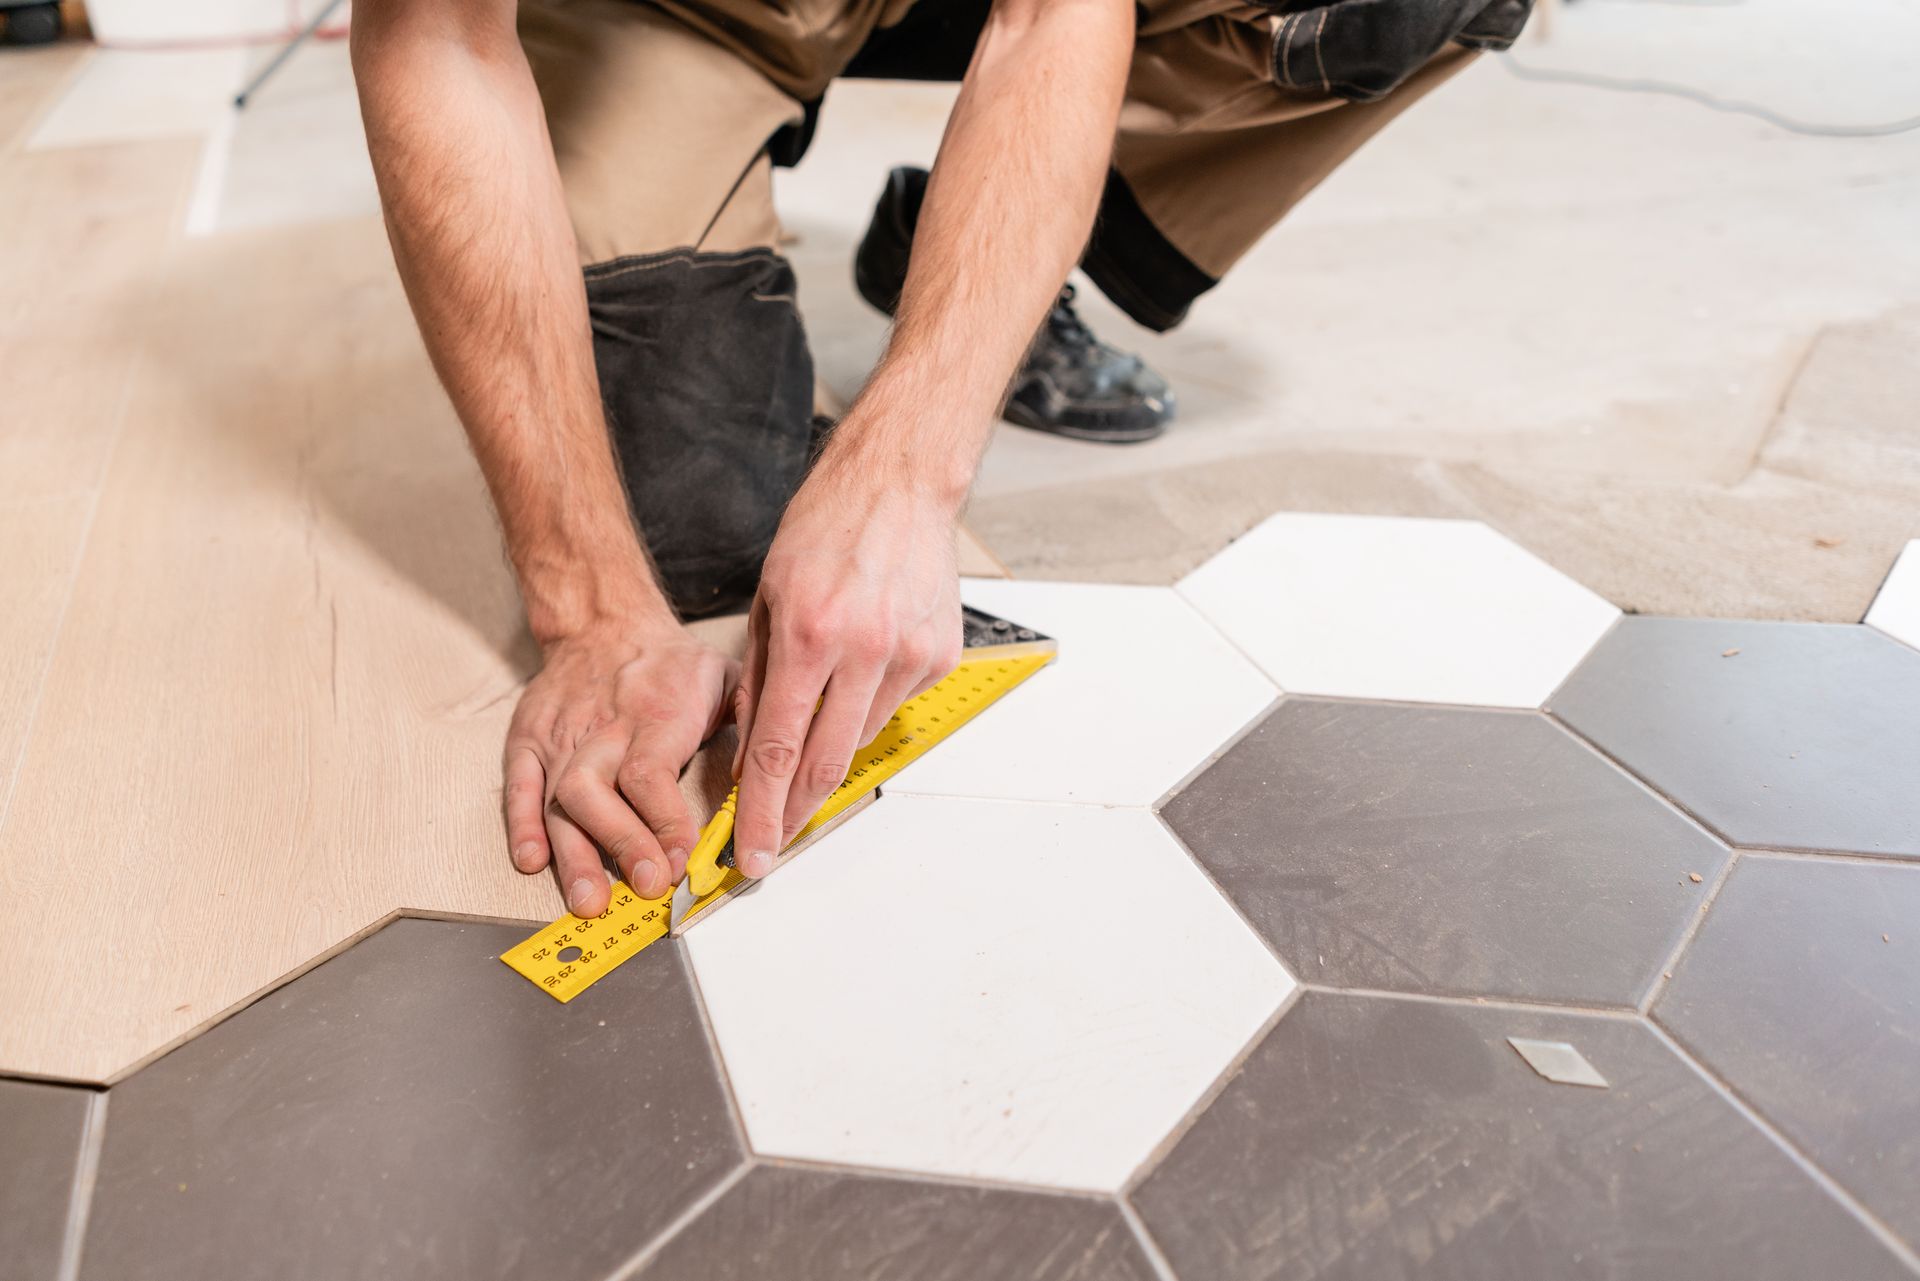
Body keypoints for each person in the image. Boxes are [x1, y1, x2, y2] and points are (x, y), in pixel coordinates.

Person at [350, 0, 1531, 918]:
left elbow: (1057, 16)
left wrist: (908, 467)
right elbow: (438, 40)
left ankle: (977, 258)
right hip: (669, 17)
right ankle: (942, 253)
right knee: (705, 528)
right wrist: (590, 612)